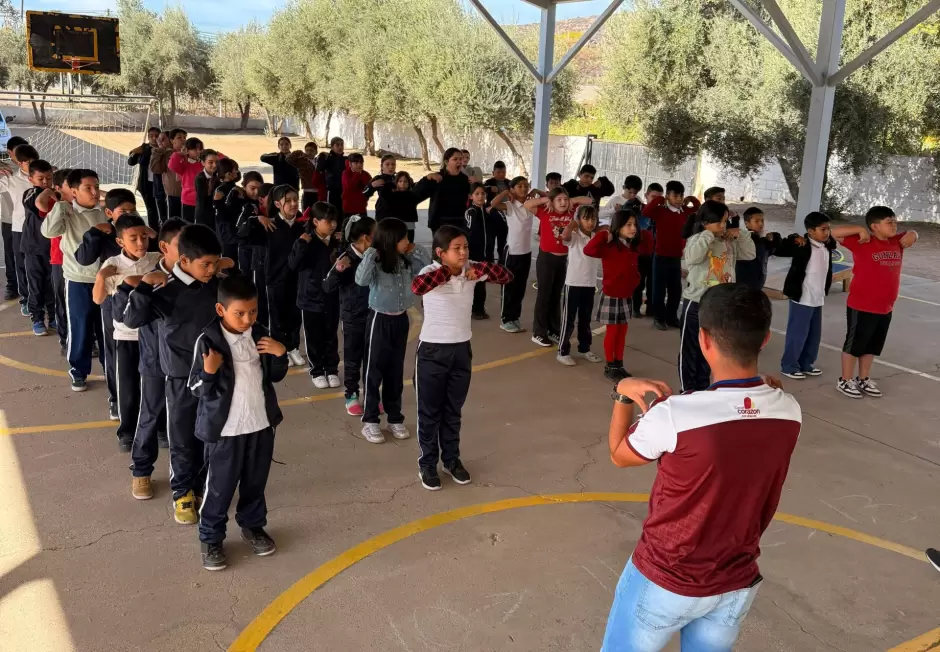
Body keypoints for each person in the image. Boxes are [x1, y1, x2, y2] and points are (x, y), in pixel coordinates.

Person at [601, 283, 801, 652]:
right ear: (765, 339)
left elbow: (618, 454)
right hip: (735, 581)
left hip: (665, 578)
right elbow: (753, 412)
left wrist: (622, 394)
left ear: (703, 339)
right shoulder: (789, 410)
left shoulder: (677, 413)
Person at [122, 224, 226, 525]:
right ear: (184, 262)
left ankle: (201, 486)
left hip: (215, 377)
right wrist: (143, 287)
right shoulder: (165, 289)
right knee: (181, 439)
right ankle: (182, 492)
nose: (211, 269)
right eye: (205, 264)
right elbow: (132, 319)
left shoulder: (216, 285)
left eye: (214, 263)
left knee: (211, 436)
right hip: (180, 380)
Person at [190, 273, 289, 571]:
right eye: (240, 313)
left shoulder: (260, 334)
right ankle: (210, 538)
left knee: (255, 483)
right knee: (219, 487)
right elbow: (194, 388)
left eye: (253, 311)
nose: (248, 318)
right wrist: (208, 372)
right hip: (227, 431)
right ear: (221, 310)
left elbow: (273, 375)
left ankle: (253, 526)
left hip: (260, 425)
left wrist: (280, 354)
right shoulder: (208, 340)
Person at [411, 225, 512, 490]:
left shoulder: (473, 269)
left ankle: (451, 459)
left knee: (452, 411)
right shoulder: (430, 272)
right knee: (429, 412)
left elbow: (507, 276)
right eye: (456, 248)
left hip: (460, 350)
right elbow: (417, 287)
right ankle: (427, 463)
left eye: (465, 247)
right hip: (433, 351)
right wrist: (451, 271)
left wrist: (483, 271)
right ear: (440, 253)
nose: (464, 252)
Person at [113, 218, 185, 500]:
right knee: (150, 414)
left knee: (186, 422)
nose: (190, 252)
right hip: (155, 363)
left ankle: (188, 478)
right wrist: (140, 288)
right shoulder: (147, 280)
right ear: (165, 248)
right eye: (183, 246)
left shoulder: (198, 279)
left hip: (187, 366)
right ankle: (141, 470)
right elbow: (125, 317)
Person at [354, 218, 431, 444]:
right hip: (379, 320)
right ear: (390, 240)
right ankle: (370, 421)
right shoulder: (376, 261)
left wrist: (416, 250)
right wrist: (370, 253)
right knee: (373, 371)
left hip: (400, 320)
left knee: (395, 372)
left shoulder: (406, 261)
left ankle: (395, 417)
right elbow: (360, 280)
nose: (408, 241)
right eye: (403, 238)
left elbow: (426, 270)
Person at [93, 214, 162, 452]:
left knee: (155, 383)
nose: (141, 242)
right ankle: (127, 432)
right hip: (126, 336)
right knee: (128, 387)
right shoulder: (112, 264)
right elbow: (98, 298)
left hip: (153, 335)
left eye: (144, 236)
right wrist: (102, 277)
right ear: (120, 241)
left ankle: (160, 428)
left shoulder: (157, 259)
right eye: (133, 238)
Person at [837, 206, 917, 399]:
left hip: (885, 306)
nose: (894, 225)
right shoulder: (863, 241)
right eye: (889, 222)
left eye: (895, 221)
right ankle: (845, 380)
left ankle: (863, 378)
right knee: (854, 345)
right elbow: (833, 233)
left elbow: (913, 234)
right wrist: (859, 229)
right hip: (862, 305)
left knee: (872, 345)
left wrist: (914, 234)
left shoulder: (897, 241)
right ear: (874, 226)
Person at [75, 188, 141, 420]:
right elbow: (83, 259)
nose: (128, 215)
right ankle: (116, 398)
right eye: (123, 211)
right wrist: (93, 233)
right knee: (114, 352)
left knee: (145, 353)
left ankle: (144, 399)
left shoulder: (143, 234)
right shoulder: (104, 235)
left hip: (143, 305)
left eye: (132, 210)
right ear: (109, 213)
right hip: (113, 304)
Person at [40, 169, 107, 393]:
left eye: (96, 186)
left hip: (105, 280)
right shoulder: (67, 213)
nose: (94, 192)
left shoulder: (105, 212)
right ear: (74, 191)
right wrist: (60, 204)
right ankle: (78, 371)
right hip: (78, 280)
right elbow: (49, 232)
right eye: (88, 188)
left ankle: (110, 367)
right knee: (80, 326)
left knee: (105, 328)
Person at [679, 200, 756, 392]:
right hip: (697, 303)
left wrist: (742, 234)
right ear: (706, 222)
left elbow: (750, 254)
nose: (724, 227)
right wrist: (709, 234)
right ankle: (687, 390)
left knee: (711, 351)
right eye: (720, 222)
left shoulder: (729, 242)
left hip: (721, 305)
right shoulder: (697, 239)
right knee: (690, 350)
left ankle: (703, 389)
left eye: (725, 222)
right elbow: (692, 258)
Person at [774, 213, 859, 381]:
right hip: (803, 297)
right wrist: (793, 238)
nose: (827, 232)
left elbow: (840, 235)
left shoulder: (827, 244)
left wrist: (860, 231)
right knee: (797, 333)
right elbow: (780, 249)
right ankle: (789, 365)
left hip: (817, 297)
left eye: (828, 229)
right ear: (810, 231)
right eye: (823, 229)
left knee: (814, 334)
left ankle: (806, 363)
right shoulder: (801, 245)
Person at [240, 184, 307, 368]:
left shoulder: (302, 226)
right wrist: (256, 220)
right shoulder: (269, 225)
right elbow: (241, 236)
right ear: (277, 204)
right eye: (289, 201)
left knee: (295, 315)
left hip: (296, 279)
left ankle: (293, 347)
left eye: (296, 199)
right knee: (277, 317)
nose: (294, 204)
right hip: (275, 280)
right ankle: (281, 349)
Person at [585, 208, 654, 380]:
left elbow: (649, 244)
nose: (633, 228)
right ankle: (610, 366)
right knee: (613, 332)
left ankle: (619, 363)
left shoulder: (632, 245)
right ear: (618, 226)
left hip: (626, 294)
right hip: (612, 294)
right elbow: (589, 250)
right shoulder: (608, 245)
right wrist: (603, 235)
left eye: (634, 225)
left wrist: (636, 279)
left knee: (622, 331)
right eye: (628, 225)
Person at [524, 188, 594, 347]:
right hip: (546, 259)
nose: (563, 202)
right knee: (544, 295)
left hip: (563, 260)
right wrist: (544, 200)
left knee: (556, 296)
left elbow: (589, 201)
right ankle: (539, 332)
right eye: (559, 200)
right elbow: (527, 205)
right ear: (552, 201)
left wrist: (572, 200)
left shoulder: (572, 212)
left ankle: (553, 329)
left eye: (565, 199)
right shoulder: (545, 211)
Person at [324, 215, 376, 416]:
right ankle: (351, 394)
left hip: (374, 314)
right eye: (375, 232)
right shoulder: (344, 256)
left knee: (373, 358)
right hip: (353, 316)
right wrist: (338, 269)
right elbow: (327, 286)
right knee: (353, 358)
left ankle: (371, 395)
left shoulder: (375, 255)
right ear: (366, 237)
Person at [290, 201, 343, 389]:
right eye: (328, 221)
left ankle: (332, 370)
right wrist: (302, 244)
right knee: (313, 337)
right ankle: (317, 371)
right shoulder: (305, 241)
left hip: (331, 298)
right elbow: (293, 265)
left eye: (335, 220)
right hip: (310, 298)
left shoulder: (336, 242)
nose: (333, 224)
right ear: (315, 221)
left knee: (331, 335)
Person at [643, 181, 700, 330]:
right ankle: (659, 317)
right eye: (675, 196)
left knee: (675, 290)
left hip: (676, 257)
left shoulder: (685, 213)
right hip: (660, 256)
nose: (679, 199)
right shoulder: (661, 211)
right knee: (659, 290)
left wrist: (691, 199)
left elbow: (698, 208)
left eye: (681, 196)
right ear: (668, 196)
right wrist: (660, 200)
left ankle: (672, 316)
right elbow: (646, 212)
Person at [555, 204, 602, 368]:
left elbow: (609, 230)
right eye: (586, 218)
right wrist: (573, 223)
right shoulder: (575, 236)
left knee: (585, 319)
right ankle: (562, 351)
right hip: (573, 284)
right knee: (568, 320)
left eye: (593, 218)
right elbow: (565, 236)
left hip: (589, 284)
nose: (590, 222)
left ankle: (584, 348)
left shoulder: (596, 236)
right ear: (579, 220)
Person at [0, 143, 39, 317]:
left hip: (40, 229)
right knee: (21, 265)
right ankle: (25, 299)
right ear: (20, 163)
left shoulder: (43, 178)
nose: (32, 166)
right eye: (28, 163)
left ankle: (41, 299)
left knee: (39, 266)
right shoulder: (10, 180)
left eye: (34, 162)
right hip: (19, 229)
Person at [491, 177, 534, 334]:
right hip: (512, 252)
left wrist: (535, 191)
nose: (524, 188)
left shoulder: (531, 205)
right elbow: (493, 204)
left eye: (526, 186)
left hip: (526, 252)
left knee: (520, 287)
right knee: (509, 286)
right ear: (513, 189)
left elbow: (549, 198)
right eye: (520, 186)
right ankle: (505, 319)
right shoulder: (510, 206)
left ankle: (515, 317)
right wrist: (505, 192)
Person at [20, 159, 56, 337]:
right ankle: (37, 318)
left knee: (52, 284)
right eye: (40, 178)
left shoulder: (57, 195)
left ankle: (54, 316)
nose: (45, 182)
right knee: (35, 285)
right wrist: (49, 190)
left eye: (49, 178)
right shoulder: (30, 194)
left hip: (52, 249)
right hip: (33, 248)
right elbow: (39, 204)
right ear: (31, 179)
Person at [464, 182, 507, 320]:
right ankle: (470, 308)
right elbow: (470, 232)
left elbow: (501, 227)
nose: (480, 196)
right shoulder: (471, 212)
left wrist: (492, 212)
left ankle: (479, 308)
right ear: (471, 196)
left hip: (486, 253)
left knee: (482, 282)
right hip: (474, 254)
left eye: (483, 193)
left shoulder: (489, 212)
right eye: (477, 194)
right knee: (472, 282)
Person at [43, 168, 72, 355]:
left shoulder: (84, 205)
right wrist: (49, 191)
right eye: (72, 185)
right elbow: (39, 202)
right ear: (59, 188)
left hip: (80, 263)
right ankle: (65, 339)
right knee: (62, 302)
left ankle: (88, 339)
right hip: (60, 261)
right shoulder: (54, 204)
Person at [415, 147, 472, 232]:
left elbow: (475, 198)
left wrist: (476, 183)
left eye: (461, 159)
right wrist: (427, 178)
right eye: (455, 159)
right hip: (439, 223)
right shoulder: (437, 178)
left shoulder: (466, 179)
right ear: (446, 162)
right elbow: (417, 193)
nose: (459, 162)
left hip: (460, 222)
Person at [1, 136, 28, 302]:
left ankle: (32, 289)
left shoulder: (31, 168)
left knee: (31, 256)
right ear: (10, 153)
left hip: (31, 222)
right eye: (18, 153)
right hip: (9, 219)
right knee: (12, 255)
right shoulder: (5, 169)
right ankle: (13, 285)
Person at [734, 207, 780, 291]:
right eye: (757, 221)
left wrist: (776, 236)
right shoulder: (744, 241)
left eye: (762, 220)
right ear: (747, 223)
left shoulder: (763, 241)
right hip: (743, 283)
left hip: (758, 282)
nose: (761, 224)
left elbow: (774, 248)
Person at [127, 127, 162, 231]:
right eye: (151, 136)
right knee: (151, 209)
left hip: (160, 184)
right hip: (146, 184)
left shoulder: (164, 148)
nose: (154, 138)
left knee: (160, 209)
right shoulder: (143, 148)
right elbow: (131, 162)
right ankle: (153, 231)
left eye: (157, 136)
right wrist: (133, 152)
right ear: (148, 137)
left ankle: (162, 229)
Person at [168, 137, 206, 223]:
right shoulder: (184, 163)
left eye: (200, 149)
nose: (199, 151)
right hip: (188, 200)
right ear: (187, 150)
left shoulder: (203, 163)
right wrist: (179, 153)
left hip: (203, 200)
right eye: (195, 149)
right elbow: (172, 165)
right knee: (188, 224)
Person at [150, 128, 187, 219]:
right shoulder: (166, 154)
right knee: (174, 223)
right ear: (172, 140)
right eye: (179, 137)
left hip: (188, 195)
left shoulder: (190, 153)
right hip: (173, 196)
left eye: (184, 137)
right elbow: (156, 169)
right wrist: (158, 151)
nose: (183, 140)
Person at [211, 158, 242, 265]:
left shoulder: (231, 188)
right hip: (228, 231)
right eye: (235, 170)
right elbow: (223, 214)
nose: (237, 172)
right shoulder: (224, 190)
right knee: (230, 262)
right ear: (228, 174)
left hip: (228, 230)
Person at [377, 171, 420, 241]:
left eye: (405, 181)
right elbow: (383, 195)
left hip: (409, 226)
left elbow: (420, 192)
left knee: (408, 245)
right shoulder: (392, 196)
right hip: (395, 226)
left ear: (409, 183)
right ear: (396, 183)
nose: (403, 184)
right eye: (400, 181)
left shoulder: (412, 195)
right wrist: (389, 184)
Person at [287, 142, 328, 211]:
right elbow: (289, 159)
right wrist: (299, 152)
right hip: (307, 191)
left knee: (318, 211)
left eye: (311, 150)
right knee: (307, 212)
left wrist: (324, 154)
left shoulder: (319, 161)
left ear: (316, 152)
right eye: (307, 150)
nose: (309, 152)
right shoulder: (301, 161)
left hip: (319, 191)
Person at [316, 137, 347, 212]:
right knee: (332, 212)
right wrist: (322, 156)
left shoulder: (346, 159)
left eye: (342, 145)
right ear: (332, 147)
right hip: (332, 191)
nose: (340, 147)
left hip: (344, 191)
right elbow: (319, 169)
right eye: (337, 145)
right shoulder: (328, 158)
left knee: (343, 212)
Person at [363, 154, 396, 220]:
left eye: (393, 164)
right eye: (387, 164)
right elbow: (364, 193)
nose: (391, 167)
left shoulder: (399, 179)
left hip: (397, 214)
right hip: (382, 214)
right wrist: (371, 186)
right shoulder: (379, 178)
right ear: (381, 166)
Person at [193, 149, 220, 228]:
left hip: (215, 215)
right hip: (204, 216)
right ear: (203, 163)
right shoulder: (200, 178)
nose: (215, 165)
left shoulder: (218, 176)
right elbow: (203, 199)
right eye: (210, 162)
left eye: (217, 162)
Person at [341, 153, 371, 218]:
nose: (359, 165)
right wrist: (357, 174)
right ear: (350, 164)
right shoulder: (346, 173)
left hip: (361, 208)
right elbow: (350, 186)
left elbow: (369, 187)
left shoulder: (365, 174)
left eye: (361, 162)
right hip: (349, 209)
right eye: (356, 162)